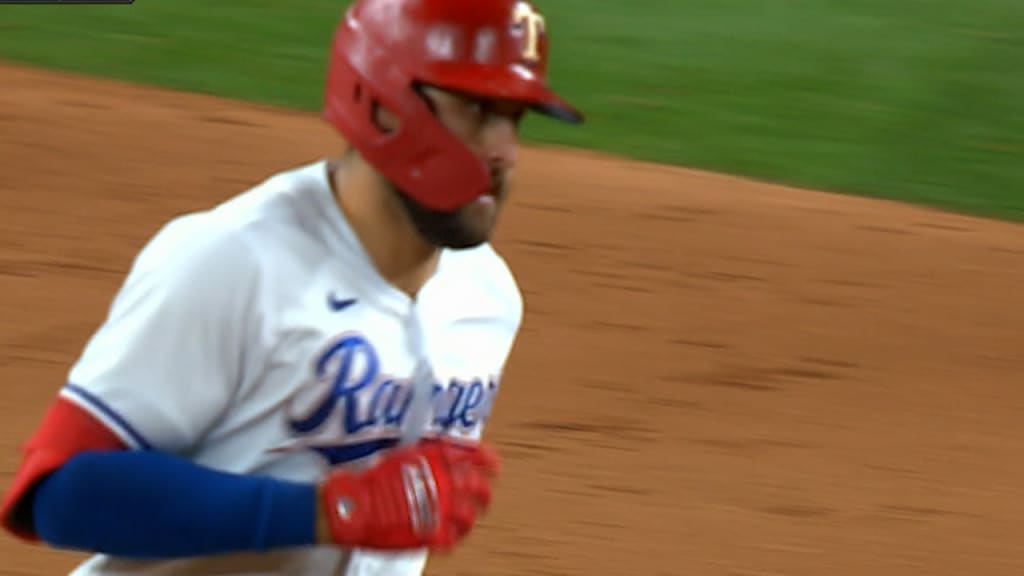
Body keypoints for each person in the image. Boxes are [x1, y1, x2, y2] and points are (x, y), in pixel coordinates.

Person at [0, 0, 584, 574]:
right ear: (383, 105)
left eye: (515, 118)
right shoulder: (236, 261)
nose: (504, 151)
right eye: (478, 109)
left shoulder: (487, 298)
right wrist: (327, 512)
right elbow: (59, 492)